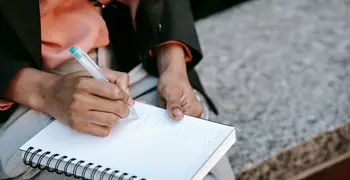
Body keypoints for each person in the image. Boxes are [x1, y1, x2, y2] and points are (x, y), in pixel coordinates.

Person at [0, 0, 234, 179]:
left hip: (127, 58)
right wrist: (43, 91)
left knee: (203, 166)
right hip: (20, 87)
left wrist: (172, 66)